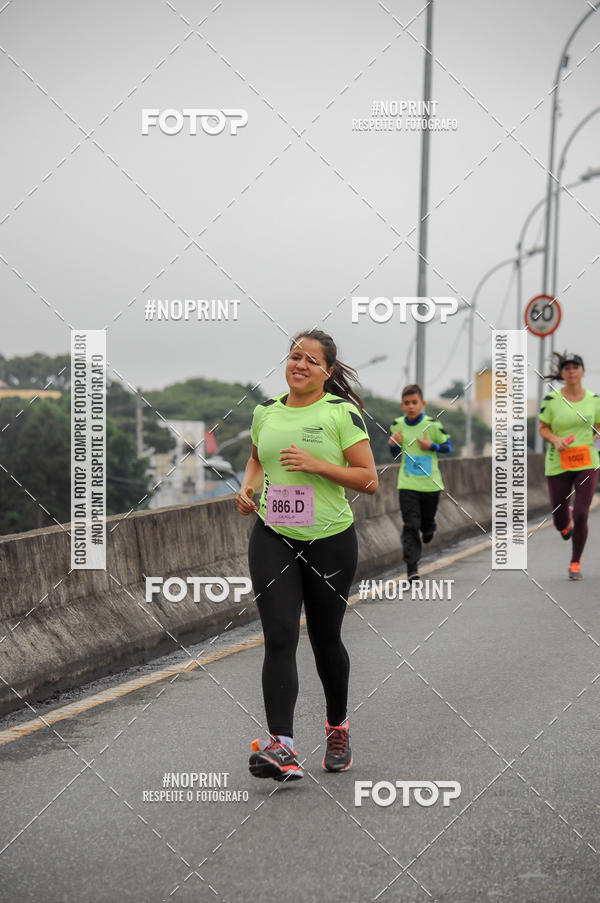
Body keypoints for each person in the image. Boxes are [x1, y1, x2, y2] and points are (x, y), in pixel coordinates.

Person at [236, 329, 378, 782]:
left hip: (329, 540)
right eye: (294, 356)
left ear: (327, 371)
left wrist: (318, 465)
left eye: (311, 360)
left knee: (325, 639)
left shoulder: (341, 413)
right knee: (279, 636)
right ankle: (282, 746)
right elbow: (257, 459)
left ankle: (337, 728)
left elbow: (369, 479)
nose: (300, 365)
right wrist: (248, 488)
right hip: (273, 534)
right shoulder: (265, 412)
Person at [538, 351, 600, 580]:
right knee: (560, 521)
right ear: (562, 373)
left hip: (587, 461)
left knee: (582, 513)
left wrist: (596, 434)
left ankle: (575, 562)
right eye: (567, 368)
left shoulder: (594, 400)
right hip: (558, 462)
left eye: (575, 367)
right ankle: (565, 525)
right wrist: (555, 439)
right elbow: (543, 427)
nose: (572, 371)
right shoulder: (551, 400)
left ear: (583, 371)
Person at [389, 384, 452, 581]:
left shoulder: (432, 425)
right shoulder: (397, 425)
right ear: (402, 405)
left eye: (414, 402)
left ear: (422, 403)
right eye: (407, 403)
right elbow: (394, 454)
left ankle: (429, 526)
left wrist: (431, 446)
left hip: (430, 485)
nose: (411, 406)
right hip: (407, 484)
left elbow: (448, 447)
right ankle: (412, 569)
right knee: (410, 525)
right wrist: (392, 444)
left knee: (425, 525)